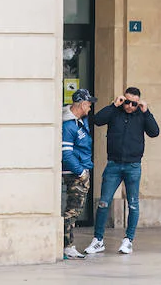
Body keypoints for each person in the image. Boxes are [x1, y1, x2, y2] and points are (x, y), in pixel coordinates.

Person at [85, 86, 160, 256]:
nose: (129, 106)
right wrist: (113, 105)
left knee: (133, 204)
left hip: (133, 166)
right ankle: (98, 240)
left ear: (138, 102)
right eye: (127, 102)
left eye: (133, 103)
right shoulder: (115, 112)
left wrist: (146, 112)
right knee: (104, 202)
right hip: (114, 165)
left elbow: (154, 132)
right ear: (123, 99)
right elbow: (96, 120)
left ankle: (128, 240)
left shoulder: (141, 115)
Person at [61, 89, 96, 260]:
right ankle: (67, 246)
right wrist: (81, 172)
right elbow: (66, 154)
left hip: (81, 170)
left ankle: (68, 245)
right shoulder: (69, 126)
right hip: (75, 173)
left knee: (74, 211)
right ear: (82, 104)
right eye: (88, 104)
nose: (90, 108)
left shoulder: (81, 122)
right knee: (71, 212)